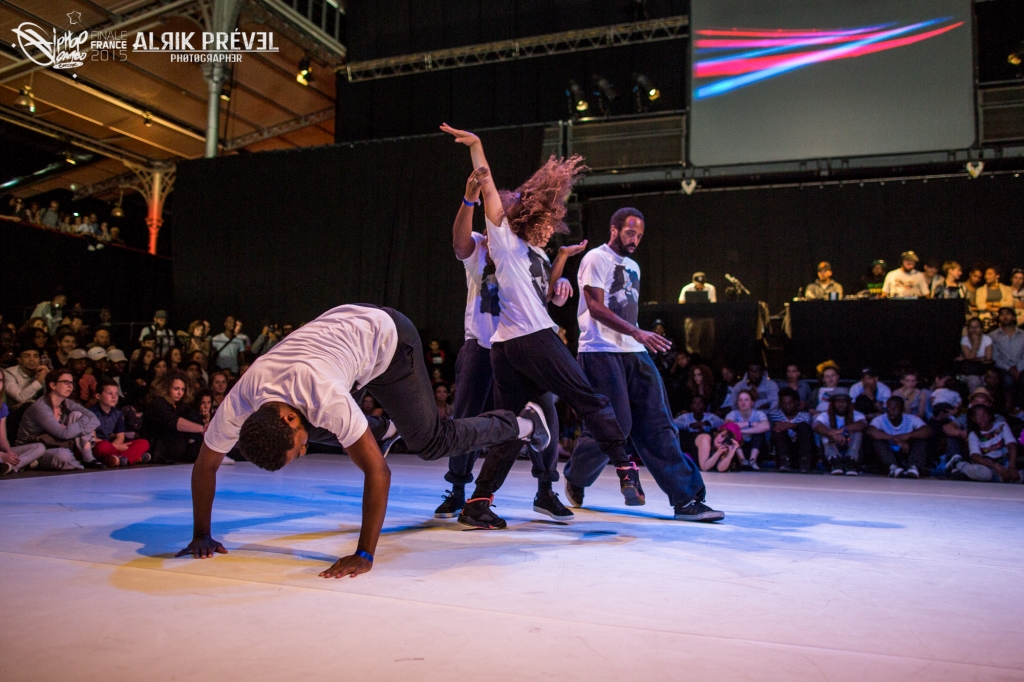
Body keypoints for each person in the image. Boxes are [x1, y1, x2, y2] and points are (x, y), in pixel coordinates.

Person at [177, 303, 549, 577]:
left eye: (298, 447)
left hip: (389, 340)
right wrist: (201, 534)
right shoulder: (242, 402)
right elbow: (205, 465)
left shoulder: (323, 397)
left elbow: (378, 473)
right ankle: (382, 430)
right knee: (319, 428)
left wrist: (364, 554)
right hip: (345, 338)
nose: (305, 450)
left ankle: (523, 423)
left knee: (430, 442)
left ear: (286, 418)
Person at [441, 122, 652, 531]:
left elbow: (539, 289)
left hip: (504, 347)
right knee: (591, 399)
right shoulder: (503, 241)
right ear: (531, 218)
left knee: (516, 425)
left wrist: (561, 262)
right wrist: (477, 147)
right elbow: (488, 188)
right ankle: (625, 468)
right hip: (533, 339)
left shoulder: (527, 253)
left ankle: (479, 502)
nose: (551, 226)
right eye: (549, 220)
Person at [562, 206, 723, 521]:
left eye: (639, 235)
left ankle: (686, 499)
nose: (635, 239)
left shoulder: (633, 266)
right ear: (615, 229)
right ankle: (577, 476)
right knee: (615, 425)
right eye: (630, 233)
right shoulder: (596, 258)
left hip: (634, 351)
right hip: (600, 350)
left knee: (659, 424)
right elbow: (595, 307)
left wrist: (636, 337)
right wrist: (638, 332)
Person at [434, 168, 566, 521]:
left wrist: (560, 284)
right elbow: (458, 243)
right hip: (481, 345)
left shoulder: (532, 253)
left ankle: (545, 490)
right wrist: (469, 200)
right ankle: (458, 491)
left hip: (521, 348)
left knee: (544, 415)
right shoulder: (481, 245)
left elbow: (541, 299)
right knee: (466, 419)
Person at [16, 368, 104, 469]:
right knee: (63, 456)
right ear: (53, 385)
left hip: (54, 443)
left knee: (77, 414)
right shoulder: (41, 407)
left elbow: (95, 420)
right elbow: (64, 434)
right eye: (66, 382)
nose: (70, 386)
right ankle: (32, 462)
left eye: (71, 382)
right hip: (33, 448)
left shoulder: (67, 402)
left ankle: (88, 459)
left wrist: (76, 430)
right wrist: (80, 424)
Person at [142, 371, 205, 464]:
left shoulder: (181, 406)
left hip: (176, 446)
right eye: (176, 389)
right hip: (158, 446)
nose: (180, 393)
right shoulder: (158, 404)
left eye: (183, 389)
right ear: (166, 388)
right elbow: (173, 422)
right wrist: (202, 429)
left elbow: (195, 419)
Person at [946, 404, 1021, 483]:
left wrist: (1012, 466)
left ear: (990, 416)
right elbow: (975, 456)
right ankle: (961, 466)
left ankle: (998, 478)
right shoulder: (973, 434)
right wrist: (995, 466)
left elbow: (1011, 445)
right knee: (985, 474)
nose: (982, 418)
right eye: (978, 416)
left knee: (1017, 477)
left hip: (1005, 462)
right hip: (987, 465)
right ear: (974, 419)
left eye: (984, 414)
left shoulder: (1002, 426)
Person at [867, 396, 931, 478]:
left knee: (921, 440)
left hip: (906, 452)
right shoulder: (880, 419)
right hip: (889, 453)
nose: (891, 412)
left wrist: (908, 436)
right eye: (888, 409)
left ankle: (914, 467)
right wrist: (894, 439)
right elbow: (870, 431)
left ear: (902, 410)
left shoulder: (911, 419)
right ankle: (892, 467)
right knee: (877, 441)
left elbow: (927, 431)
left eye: (894, 409)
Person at [90, 380, 150, 466]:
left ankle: (119, 459)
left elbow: (120, 437)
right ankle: (133, 457)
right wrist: (116, 447)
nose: (114, 397)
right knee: (102, 447)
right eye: (109, 393)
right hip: (98, 445)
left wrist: (115, 446)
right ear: (98, 396)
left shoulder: (117, 413)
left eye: (116, 394)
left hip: (113, 445)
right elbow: (93, 439)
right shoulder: (91, 413)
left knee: (144, 443)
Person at [0, 373, 50, 475]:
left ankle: (11, 467)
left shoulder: (2, 407)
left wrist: (9, 453)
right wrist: (2, 455)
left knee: (39, 447)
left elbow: (3, 438)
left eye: (0, 380)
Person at [812, 388, 866, 475]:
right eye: (837, 402)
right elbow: (816, 425)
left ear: (848, 403)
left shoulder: (856, 414)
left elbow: (862, 424)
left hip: (850, 448)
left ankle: (850, 461)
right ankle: (835, 461)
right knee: (824, 435)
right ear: (832, 403)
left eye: (844, 402)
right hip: (832, 449)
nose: (841, 404)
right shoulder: (825, 415)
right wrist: (831, 434)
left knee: (858, 432)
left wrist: (842, 430)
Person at [768, 387, 815, 472]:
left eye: (790, 403)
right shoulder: (774, 415)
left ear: (796, 402)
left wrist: (790, 425)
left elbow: (808, 436)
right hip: (783, 451)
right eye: (784, 403)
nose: (787, 406)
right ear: (780, 404)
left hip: (800, 450)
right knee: (778, 429)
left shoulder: (805, 416)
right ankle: (784, 462)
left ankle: (804, 461)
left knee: (803, 427)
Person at [724, 389, 769, 469]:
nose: (743, 402)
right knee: (732, 434)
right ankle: (742, 461)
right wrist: (750, 424)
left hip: (757, 449)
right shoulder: (733, 414)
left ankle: (752, 461)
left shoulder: (759, 413)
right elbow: (727, 426)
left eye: (746, 400)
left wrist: (742, 430)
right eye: (740, 400)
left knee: (759, 434)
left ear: (752, 402)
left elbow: (766, 426)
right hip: (739, 448)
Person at [988, 307, 1024, 405]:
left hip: (1021, 366)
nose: (1005, 316)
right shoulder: (993, 336)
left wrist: (1019, 368)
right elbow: (995, 357)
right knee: (1008, 380)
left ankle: (1020, 408)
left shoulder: (1022, 334)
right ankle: (1010, 408)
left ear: (1013, 317)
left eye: (1008, 314)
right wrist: (1009, 368)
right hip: (1003, 368)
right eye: (1002, 314)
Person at [957, 317, 993, 392]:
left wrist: (968, 358)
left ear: (981, 328)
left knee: (989, 379)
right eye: (971, 327)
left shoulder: (987, 339)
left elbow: (988, 358)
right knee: (975, 380)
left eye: (977, 327)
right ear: (968, 329)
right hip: (968, 372)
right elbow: (970, 358)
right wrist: (976, 343)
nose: (974, 329)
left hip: (983, 370)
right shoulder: (964, 340)